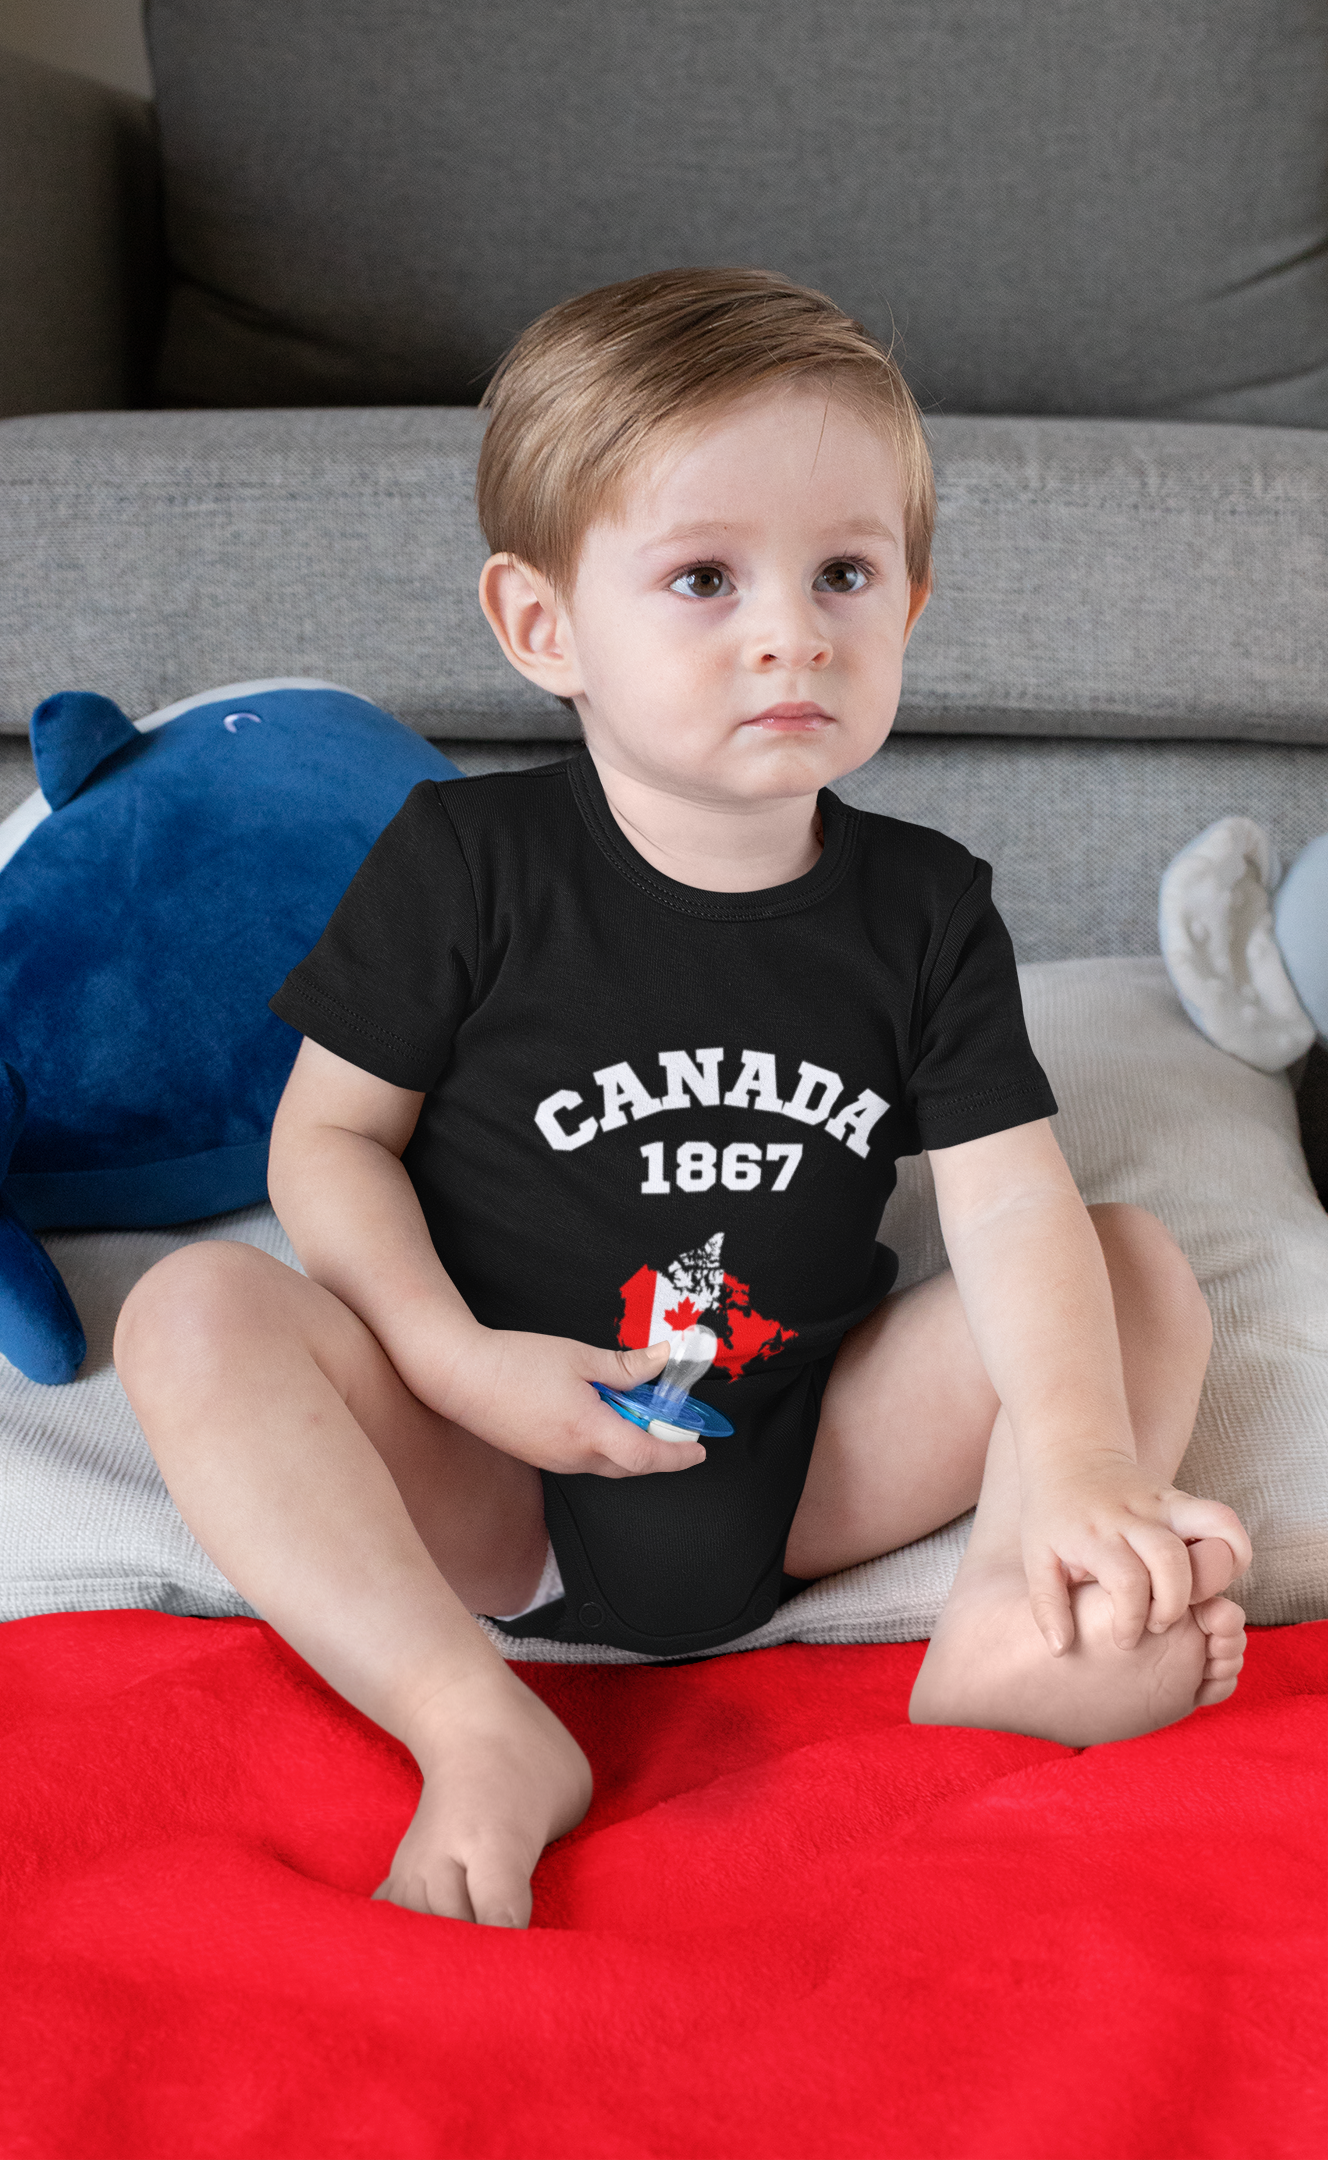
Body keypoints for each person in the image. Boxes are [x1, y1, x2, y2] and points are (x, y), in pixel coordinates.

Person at [115, 267, 1251, 1930]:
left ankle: (1017, 1619)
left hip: (796, 1462)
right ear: (542, 626)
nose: (791, 628)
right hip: (493, 1473)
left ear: (913, 607)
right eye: (706, 578)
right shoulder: (467, 865)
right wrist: (460, 1368)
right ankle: (474, 1723)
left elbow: (1005, 1200)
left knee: (1124, 1258)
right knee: (194, 1308)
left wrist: (1079, 1458)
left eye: (844, 573)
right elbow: (327, 1140)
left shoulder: (925, 908)